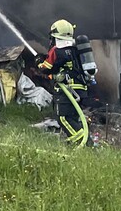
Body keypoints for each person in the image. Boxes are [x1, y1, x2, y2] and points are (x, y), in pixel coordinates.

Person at [36, 18, 93, 147]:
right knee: (73, 117)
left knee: (63, 118)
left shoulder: (56, 50)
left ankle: (82, 144)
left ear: (54, 36)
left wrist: (38, 61)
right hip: (80, 88)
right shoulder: (75, 48)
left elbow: (46, 68)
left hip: (67, 89)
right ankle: (86, 143)